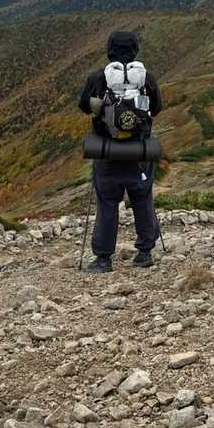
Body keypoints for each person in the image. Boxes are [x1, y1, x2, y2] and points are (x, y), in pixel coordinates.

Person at [78, 29, 162, 272]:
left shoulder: (98, 77)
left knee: (107, 203)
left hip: (107, 151)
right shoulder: (146, 78)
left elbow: (83, 106)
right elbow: (157, 108)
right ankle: (145, 252)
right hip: (140, 153)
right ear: (135, 50)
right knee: (142, 199)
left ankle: (103, 259)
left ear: (109, 50)